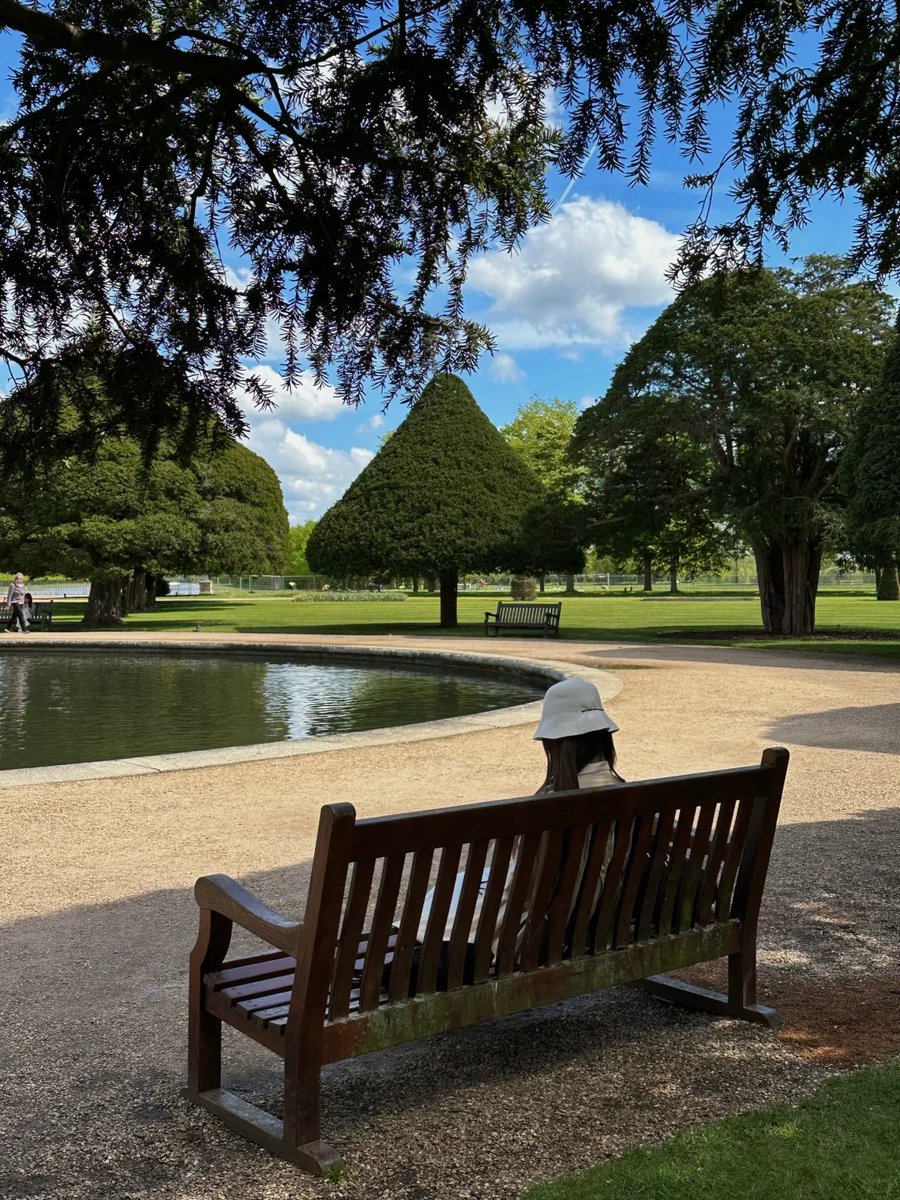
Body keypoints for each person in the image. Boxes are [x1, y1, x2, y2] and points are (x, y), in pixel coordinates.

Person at [414, 676, 623, 971]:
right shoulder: (625, 793)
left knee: (447, 895)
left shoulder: (550, 806)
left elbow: (525, 892)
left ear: (555, 742)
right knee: (462, 883)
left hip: (532, 934)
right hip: (588, 920)